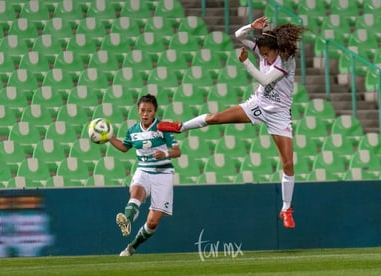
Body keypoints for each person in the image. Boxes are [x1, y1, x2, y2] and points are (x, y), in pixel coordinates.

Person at [157, 17, 306, 229]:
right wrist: (250, 27)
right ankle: (181, 127)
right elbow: (238, 36)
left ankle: (286, 209)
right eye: (261, 53)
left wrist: (246, 62)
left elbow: (264, 80)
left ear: (275, 49)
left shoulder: (286, 61)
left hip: (279, 114)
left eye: (265, 54)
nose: (263, 56)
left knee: (288, 163)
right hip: (258, 104)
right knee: (216, 118)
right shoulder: (265, 49)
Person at [109, 94, 181, 256]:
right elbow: (124, 147)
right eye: (143, 110)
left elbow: (178, 152)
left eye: (149, 111)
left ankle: (132, 247)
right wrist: (109, 138)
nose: (145, 113)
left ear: (155, 112)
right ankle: (127, 219)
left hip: (163, 173)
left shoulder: (163, 127)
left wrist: (165, 154)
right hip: (143, 169)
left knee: (153, 222)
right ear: (138, 111)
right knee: (136, 191)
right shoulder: (133, 131)